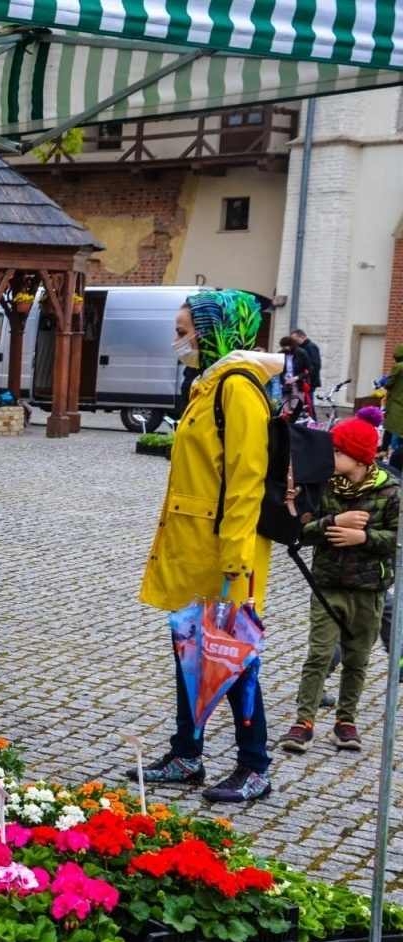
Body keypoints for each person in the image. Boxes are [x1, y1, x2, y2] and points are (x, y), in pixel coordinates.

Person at [132, 289, 281, 803]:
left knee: (234, 657)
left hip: (226, 552)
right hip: (195, 545)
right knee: (192, 651)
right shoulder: (209, 382)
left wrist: (236, 560)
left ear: (215, 329)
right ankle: (187, 753)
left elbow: (248, 478)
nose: (178, 340)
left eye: (183, 331)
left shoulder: (237, 388)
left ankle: (254, 765)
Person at [279, 416, 399, 754]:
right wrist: (334, 522)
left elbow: (396, 539)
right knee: (318, 655)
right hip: (327, 586)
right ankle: (304, 721)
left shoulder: (390, 490)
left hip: (369, 591)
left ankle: (346, 720)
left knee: (358, 658)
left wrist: (363, 536)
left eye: (337, 451)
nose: (329, 456)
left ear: (359, 457)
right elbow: (302, 529)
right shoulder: (323, 486)